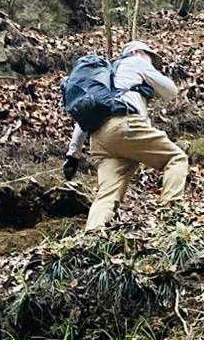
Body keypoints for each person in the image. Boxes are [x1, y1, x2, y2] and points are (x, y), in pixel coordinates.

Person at [63, 39, 189, 234]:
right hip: (124, 126)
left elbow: (84, 118)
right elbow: (171, 91)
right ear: (138, 52)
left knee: (107, 195)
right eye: (150, 56)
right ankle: (171, 218)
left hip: (100, 139)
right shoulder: (135, 62)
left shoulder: (103, 80)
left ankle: (91, 237)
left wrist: (73, 154)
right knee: (176, 158)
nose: (151, 61)